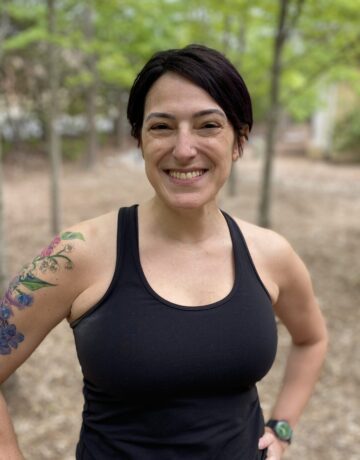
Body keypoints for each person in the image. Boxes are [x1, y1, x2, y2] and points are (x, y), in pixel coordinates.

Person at [0, 44, 327, 460]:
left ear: (239, 141)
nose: (184, 149)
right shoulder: (78, 254)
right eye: (162, 127)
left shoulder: (271, 254)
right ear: (139, 140)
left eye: (208, 125)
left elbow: (312, 339)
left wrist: (282, 427)